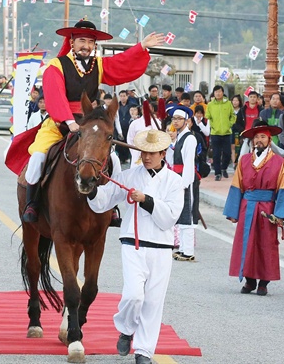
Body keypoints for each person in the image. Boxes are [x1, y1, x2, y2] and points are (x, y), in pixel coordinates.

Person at [19, 19, 164, 222]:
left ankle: (110, 206)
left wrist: (141, 47)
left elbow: (122, 63)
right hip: (59, 123)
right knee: (37, 158)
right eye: (81, 41)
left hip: (90, 123)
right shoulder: (56, 66)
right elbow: (55, 95)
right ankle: (32, 204)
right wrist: (69, 121)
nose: (86, 45)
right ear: (72, 42)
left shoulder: (99, 64)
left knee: (112, 159)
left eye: (90, 41)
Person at [87, 129, 183, 364]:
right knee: (133, 296)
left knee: (153, 302)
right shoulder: (130, 176)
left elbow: (170, 217)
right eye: (143, 152)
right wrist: (90, 190)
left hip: (161, 248)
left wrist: (147, 200)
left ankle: (143, 352)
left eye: (151, 153)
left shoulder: (175, 181)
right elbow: (105, 199)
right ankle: (126, 328)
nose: (146, 157)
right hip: (133, 244)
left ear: (163, 153)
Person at [224, 121, 284, 296]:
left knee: (266, 244)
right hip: (247, 205)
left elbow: (283, 189)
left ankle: (263, 282)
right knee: (246, 243)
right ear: (252, 141)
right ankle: (250, 280)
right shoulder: (244, 160)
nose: (259, 140)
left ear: (269, 140)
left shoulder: (279, 162)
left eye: (263, 137)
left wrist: (281, 214)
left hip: (267, 208)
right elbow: (237, 186)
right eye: (256, 137)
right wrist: (233, 211)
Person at [167, 106, 200, 261]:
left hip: (186, 179)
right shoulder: (179, 137)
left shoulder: (190, 138)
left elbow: (188, 162)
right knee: (180, 214)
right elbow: (172, 159)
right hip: (177, 176)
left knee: (187, 214)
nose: (176, 121)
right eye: (174, 119)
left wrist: (185, 183)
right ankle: (182, 248)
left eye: (179, 119)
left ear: (186, 121)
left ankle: (188, 251)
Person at [205, 85, 236, 181]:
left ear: (223, 93)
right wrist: (213, 126)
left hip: (227, 132)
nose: (218, 93)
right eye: (216, 92)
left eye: (219, 91)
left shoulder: (228, 103)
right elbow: (208, 116)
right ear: (214, 93)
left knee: (227, 153)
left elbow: (233, 116)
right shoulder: (210, 105)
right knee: (216, 154)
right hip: (215, 133)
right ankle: (217, 173)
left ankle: (224, 168)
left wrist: (229, 124)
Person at [116, 90, 137, 164]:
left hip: (129, 126)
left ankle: (127, 157)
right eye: (121, 96)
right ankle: (121, 158)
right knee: (120, 143)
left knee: (128, 142)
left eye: (124, 96)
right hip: (120, 127)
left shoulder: (131, 105)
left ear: (127, 96)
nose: (122, 98)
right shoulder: (117, 106)